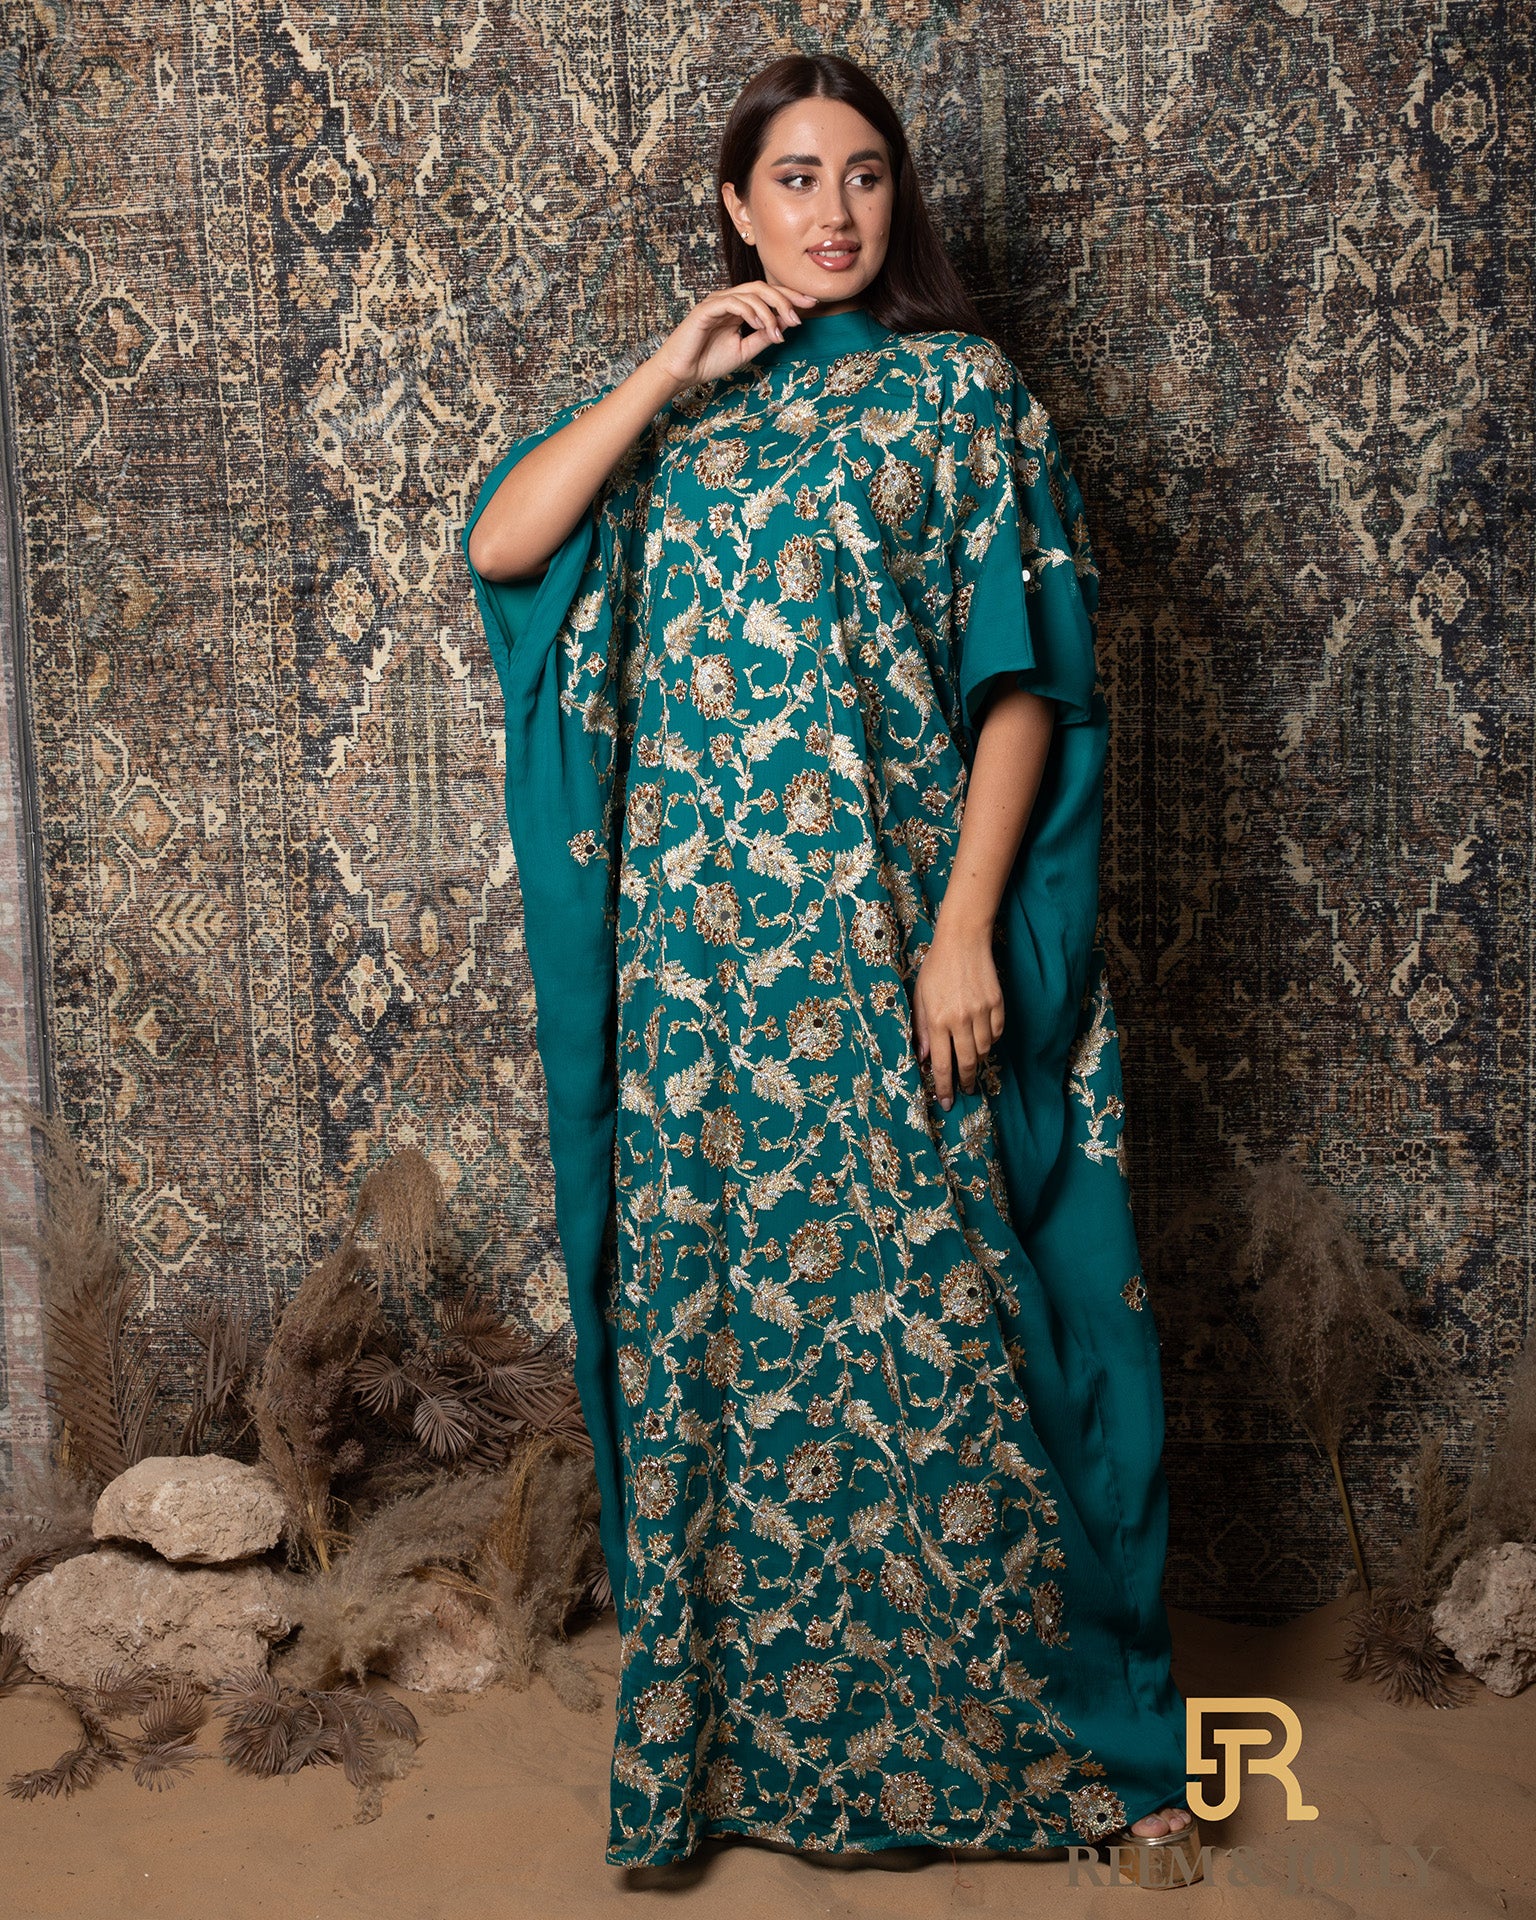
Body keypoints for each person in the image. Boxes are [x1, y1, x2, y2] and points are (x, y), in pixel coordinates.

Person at [462, 50, 1201, 1883]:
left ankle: (1078, 1752)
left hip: (889, 951)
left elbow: (1024, 683)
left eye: (865, 174)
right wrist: (668, 368)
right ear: (736, 204)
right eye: (794, 177)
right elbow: (504, 543)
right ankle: (755, 1766)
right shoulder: (685, 422)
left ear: (900, 195)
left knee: (964, 1327)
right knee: (731, 1354)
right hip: (703, 990)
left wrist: (962, 934)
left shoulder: (961, 396)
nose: (834, 211)